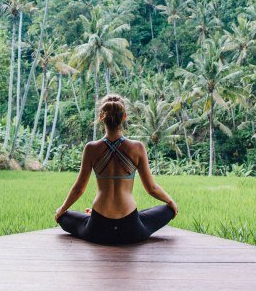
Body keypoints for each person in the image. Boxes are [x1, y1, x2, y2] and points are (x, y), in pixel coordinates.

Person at [54, 93, 178, 245]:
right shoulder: (137, 147)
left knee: (64, 217)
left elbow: (79, 189)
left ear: (101, 117)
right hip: (131, 228)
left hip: (97, 228)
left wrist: (61, 210)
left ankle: (91, 215)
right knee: (168, 210)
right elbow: (151, 188)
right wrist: (171, 201)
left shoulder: (91, 148)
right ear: (124, 116)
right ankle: (132, 217)